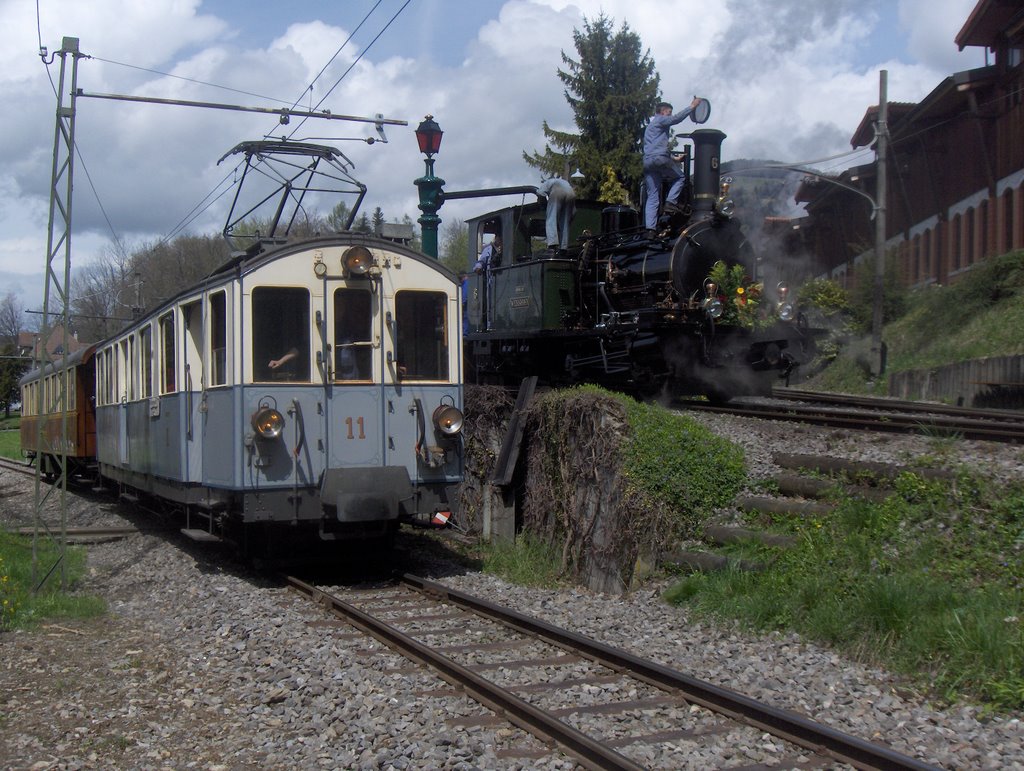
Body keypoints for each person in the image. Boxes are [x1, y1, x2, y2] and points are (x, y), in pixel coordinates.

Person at [643, 97, 702, 231]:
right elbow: (676, 119)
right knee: (680, 177)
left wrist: (675, 159)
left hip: (648, 162)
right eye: (669, 112)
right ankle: (671, 202)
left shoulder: (650, 127)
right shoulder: (661, 119)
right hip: (659, 159)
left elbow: (654, 149)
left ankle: (650, 229)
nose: (669, 115)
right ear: (663, 112)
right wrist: (692, 106)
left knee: (653, 196)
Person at [534, 177, 576, 250]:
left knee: (551, 218)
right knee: (565, 223)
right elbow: (573, 211)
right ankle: (564, 247)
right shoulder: (564, 182)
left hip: (557, 191)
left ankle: (552, 243)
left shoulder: (545, 184)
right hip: (571, 193)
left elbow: (540, 194)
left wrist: (543, 205)